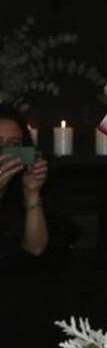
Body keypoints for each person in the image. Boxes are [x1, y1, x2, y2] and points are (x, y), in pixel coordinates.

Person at [0, 104, 49, 268]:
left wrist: (32, 192)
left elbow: (36, 248)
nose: (4, 151)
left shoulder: (21, 182)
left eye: (13, 145)